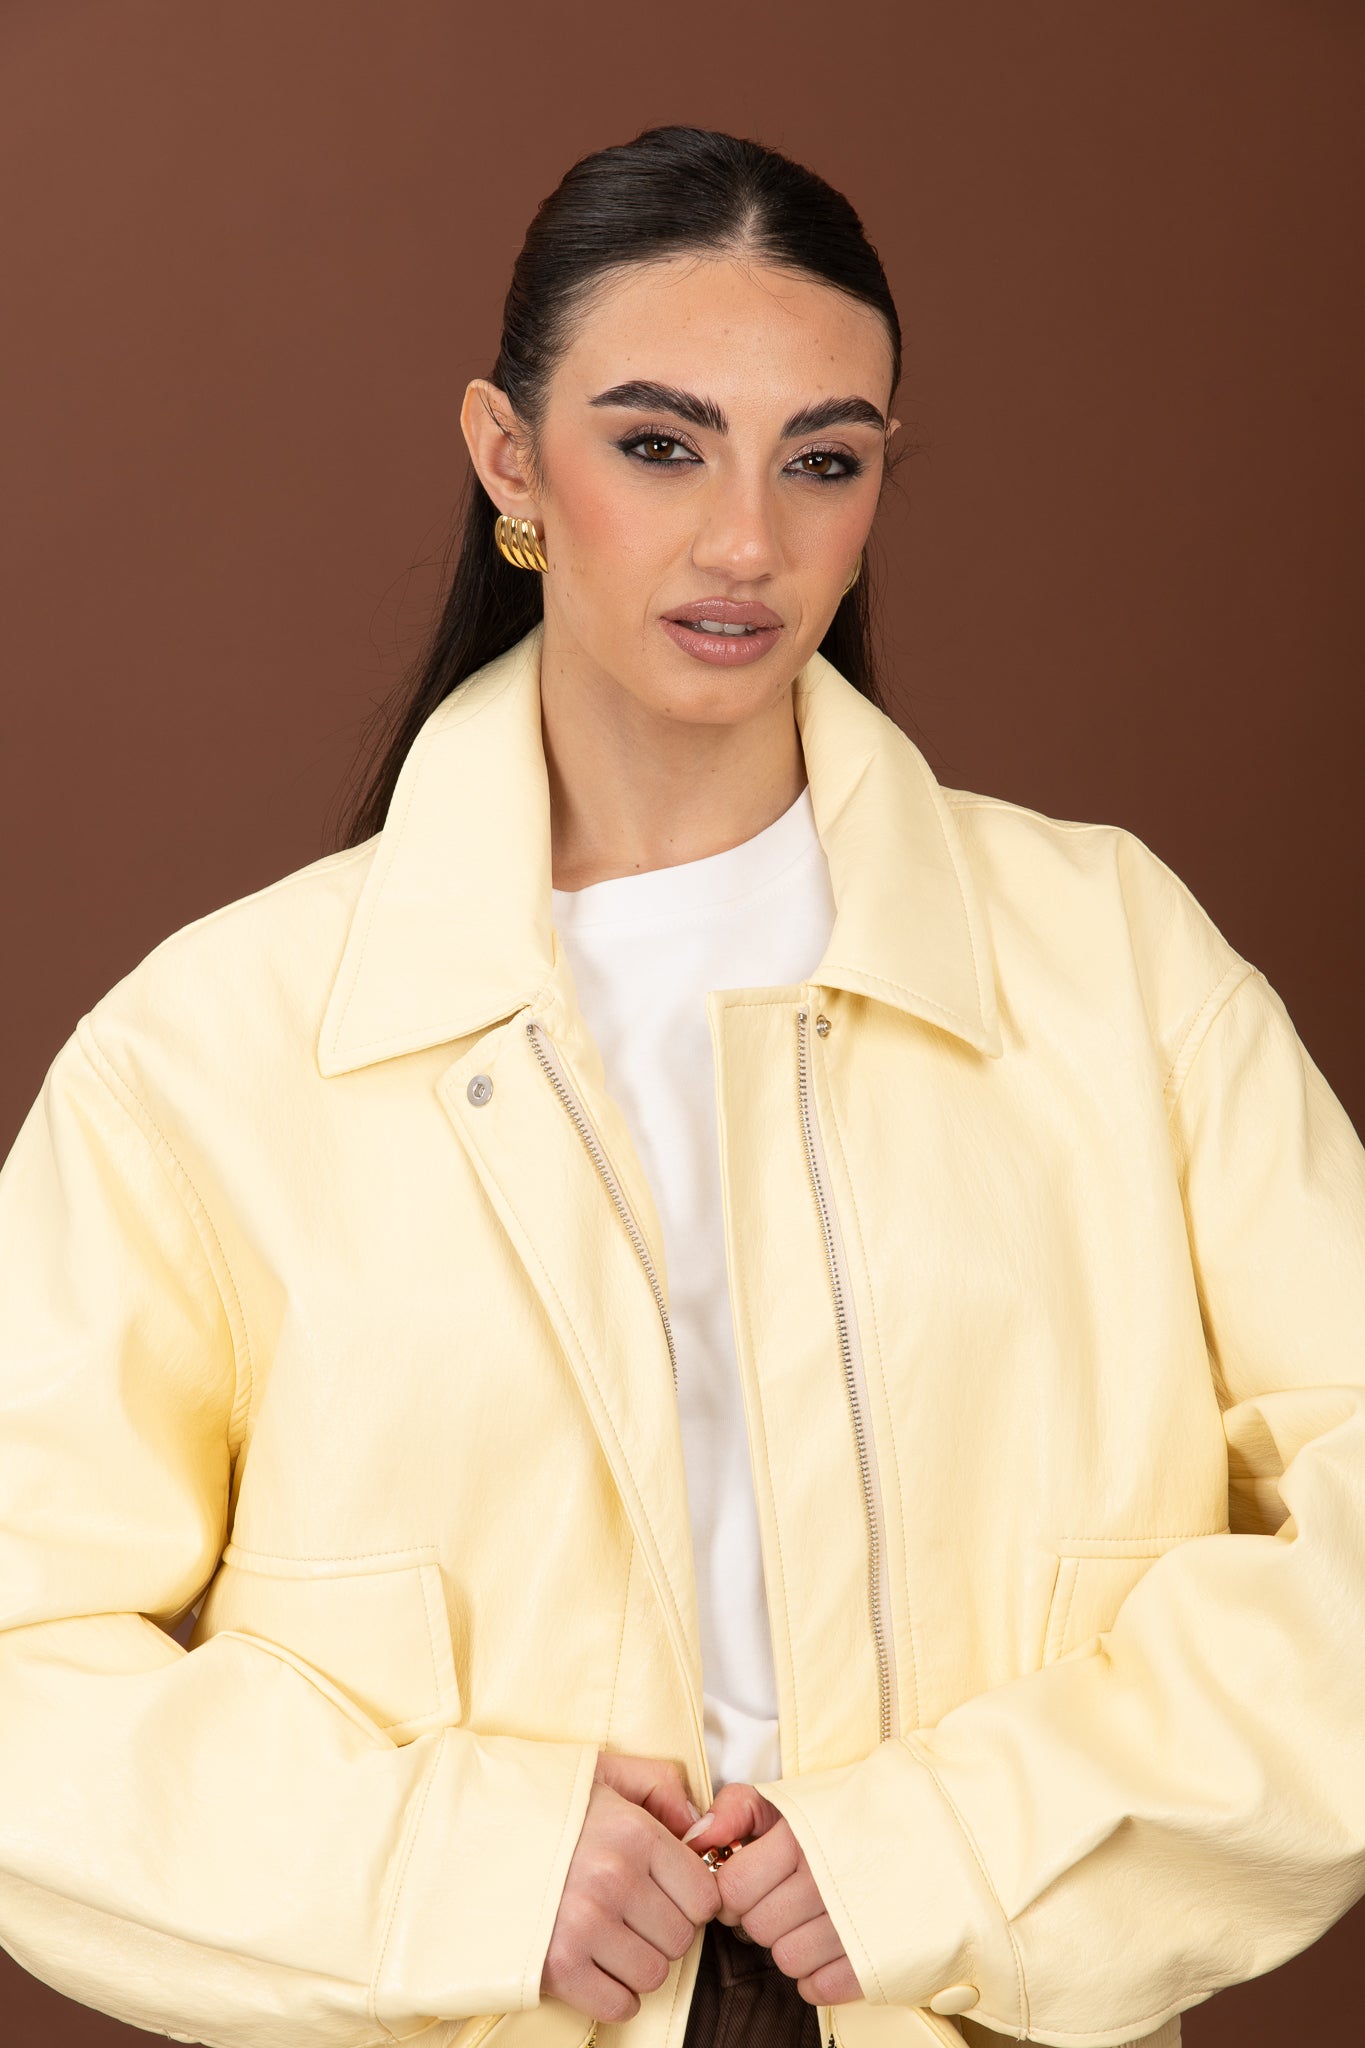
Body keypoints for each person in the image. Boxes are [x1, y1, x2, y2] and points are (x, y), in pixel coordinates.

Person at [0, 123, 1361, 2048]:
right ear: (507, 459)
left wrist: (953, 1847)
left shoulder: (1113, 965)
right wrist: (457, 1869)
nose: (745, 542)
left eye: (822, 460)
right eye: (659, 444)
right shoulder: (213, 1050)